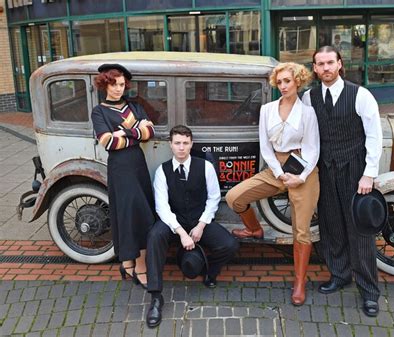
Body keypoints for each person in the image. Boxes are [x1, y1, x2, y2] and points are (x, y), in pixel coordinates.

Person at [226, 62, 319, 306]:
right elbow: (265, 146)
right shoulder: (267, 109)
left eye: (288, 80)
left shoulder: (307, 112)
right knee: (235, 197)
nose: (284, 85)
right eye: (280, 82)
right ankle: (254, 229)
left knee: (301, 230)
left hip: (303, 171)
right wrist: (278, 173)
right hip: (275, 168)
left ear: (298, 81)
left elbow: (313, 148)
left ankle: (299, 282)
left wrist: (300, 176)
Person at [302, 46, 383, 317]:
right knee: (331, 227)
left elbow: (374, 136)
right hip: (324, 170)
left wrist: (369, 173)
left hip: (355, 169)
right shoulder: (308, 97)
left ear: (339, 64)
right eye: (320, 64)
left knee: (359, 232)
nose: (325, 68)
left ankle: (369, 291)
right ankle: (339, 275)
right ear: (314, 68)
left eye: (330, 63)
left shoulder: (360, 95)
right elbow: (306, 135)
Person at [145, 125, 239, 328]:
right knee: (154, 237)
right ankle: (155, 297)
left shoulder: (204, 167)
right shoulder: (162, 171)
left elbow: (214, 198)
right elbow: (161, 206)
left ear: (191, 144)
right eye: (177, 143)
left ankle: (209, 271)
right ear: (170, 145)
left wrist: (201, 226)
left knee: (230, 244)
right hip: (173, 222)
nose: (181, 147)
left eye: (185, 143)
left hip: (199, 221)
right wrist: (180, 233)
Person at [91, 63, 156, 289]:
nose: (118, 89)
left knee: (142, 213)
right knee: (129, 214)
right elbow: (107, 141)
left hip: (137, 164)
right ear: (104, 84)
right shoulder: (99, 111)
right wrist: (136, 131)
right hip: (119, 168)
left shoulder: (134, 106)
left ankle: (134, 263)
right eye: (113, 84)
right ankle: (135, 265)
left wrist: (124, 133)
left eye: (121, 84)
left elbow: (150, 133)